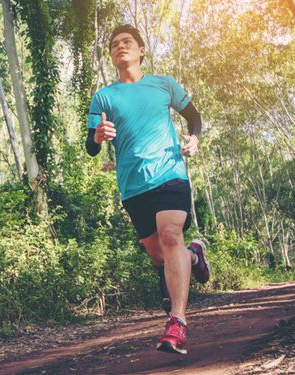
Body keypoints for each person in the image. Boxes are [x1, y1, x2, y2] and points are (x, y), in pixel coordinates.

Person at [85, 24, 211, 355]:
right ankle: (194, 254)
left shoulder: (163, 85)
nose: (119, 47)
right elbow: (91, 147)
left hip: (170, 174)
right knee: (159, 255)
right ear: (112, 56)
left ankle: (177, 323)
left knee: (171, 238)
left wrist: (194, 138)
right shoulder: (104, 97)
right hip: (132, 186)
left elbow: (194, 117)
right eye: (114, 44)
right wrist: (97, 137)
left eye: (127, 42)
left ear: (141, 50)